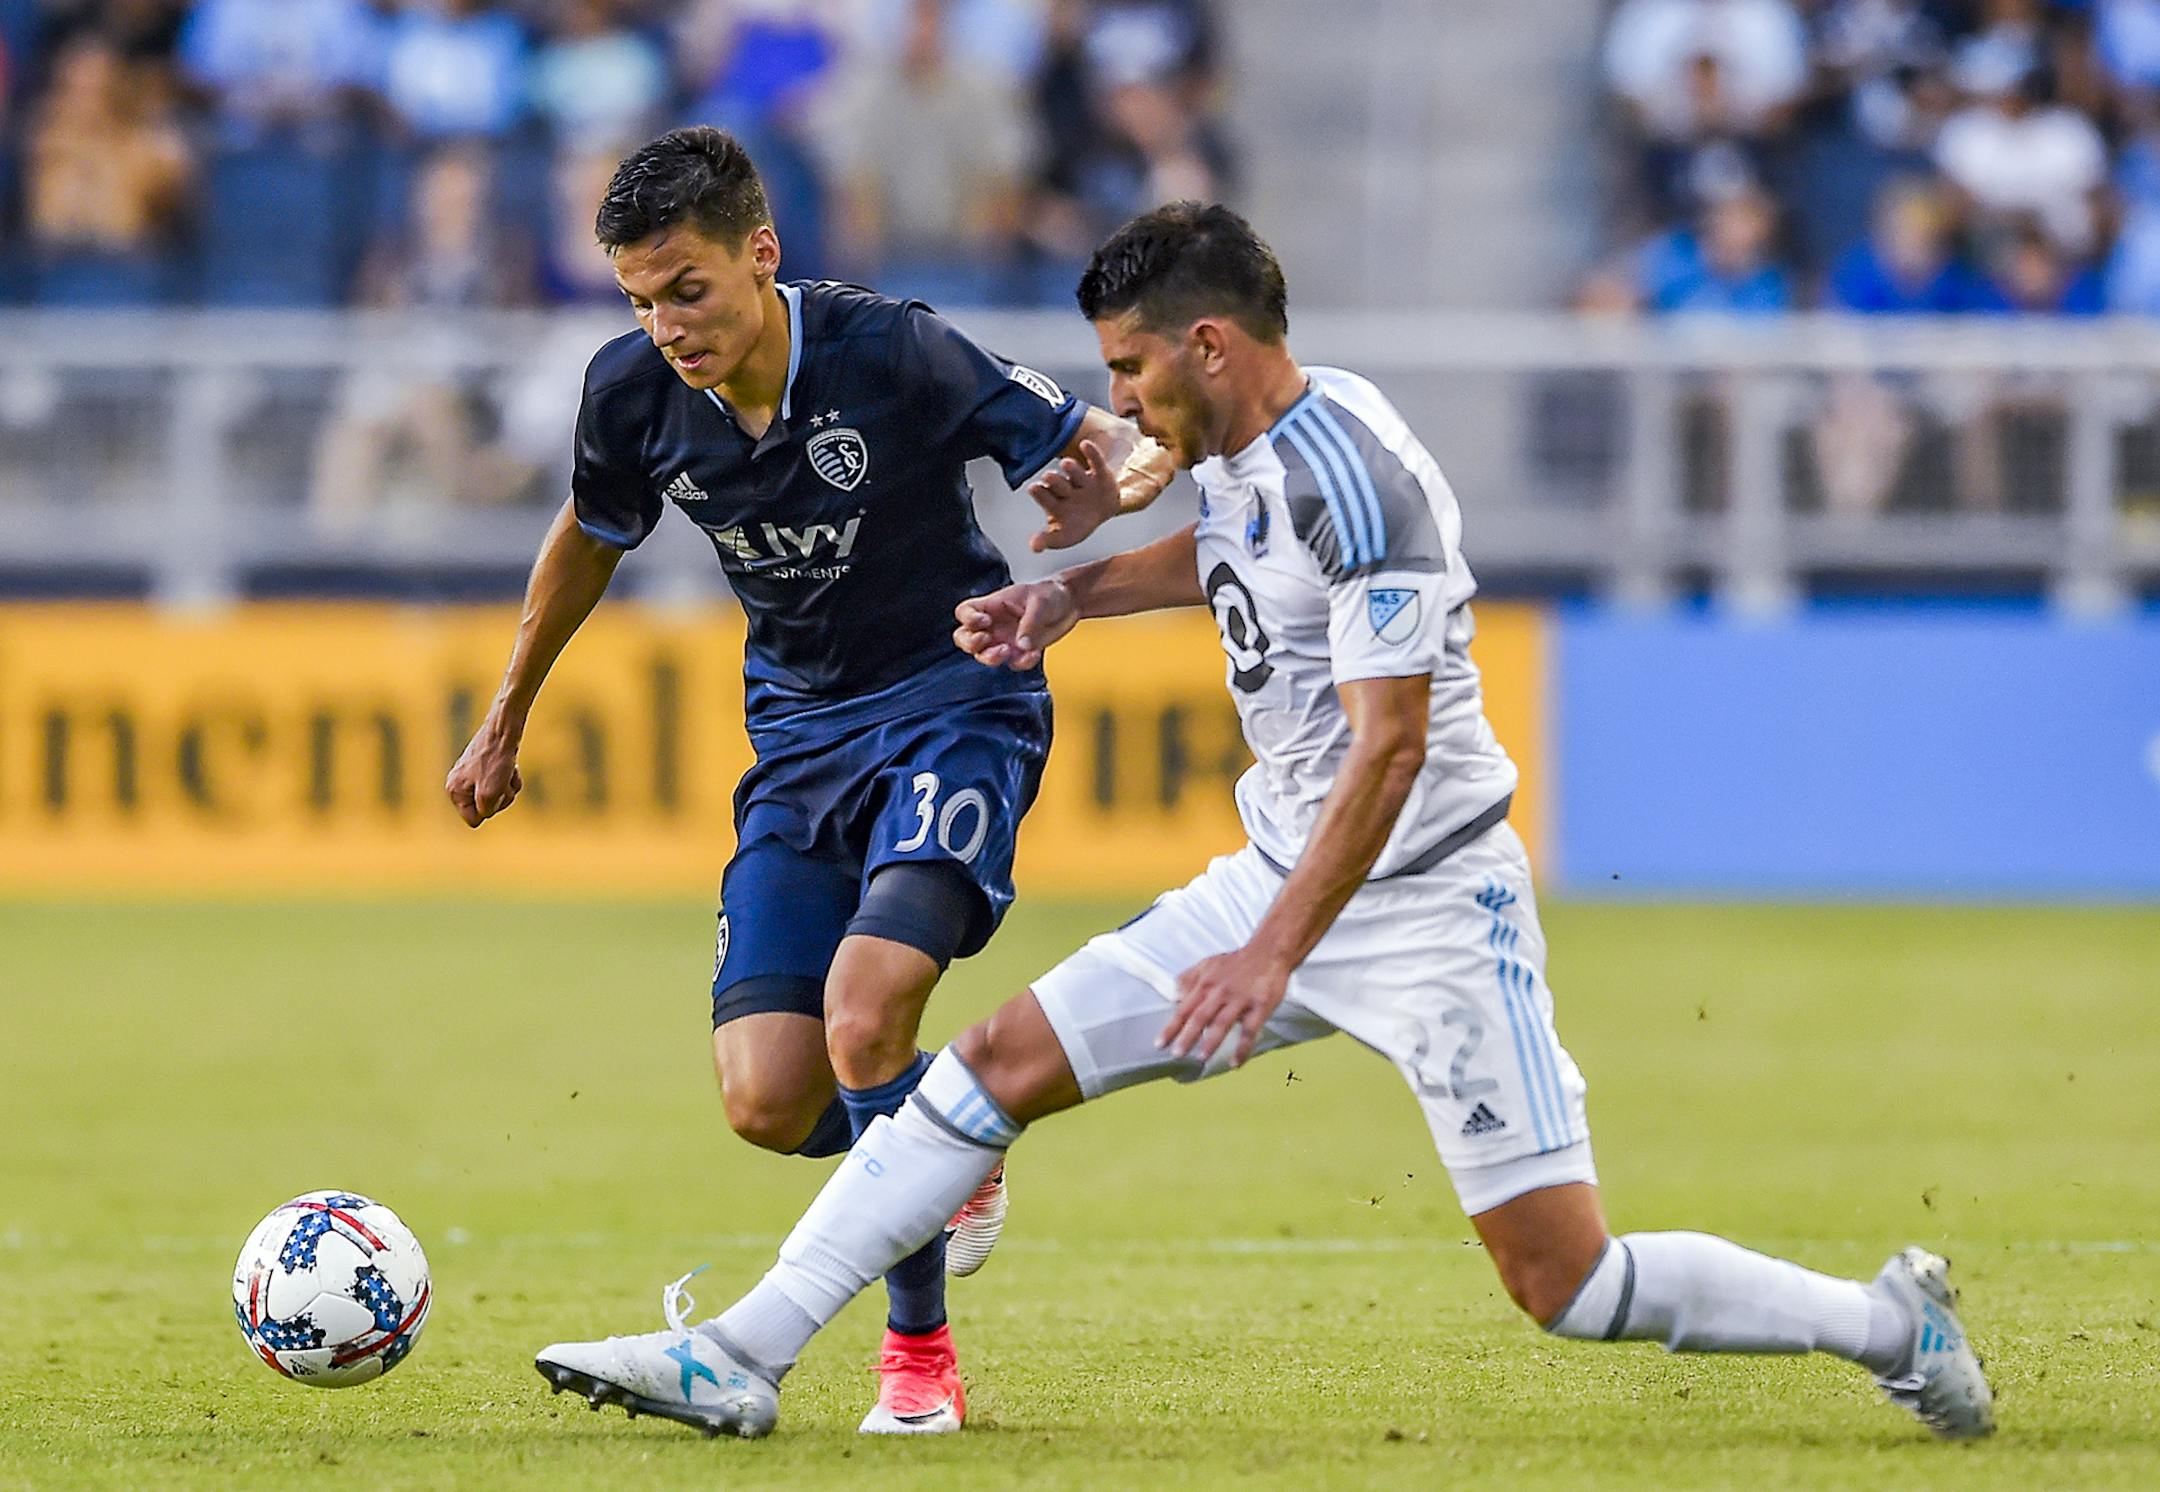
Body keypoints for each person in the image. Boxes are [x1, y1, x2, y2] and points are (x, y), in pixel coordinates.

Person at [530, 201, 1997, 1444]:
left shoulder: (1357, 477)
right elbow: (1220, 548)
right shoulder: (1246, 449)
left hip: (1423, 906)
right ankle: (751, 1349)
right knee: (983, 1073)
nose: (1123, 407)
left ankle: (1887, 1325)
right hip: (1279, 881)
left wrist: (1271, 955)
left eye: (1131, 372)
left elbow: (1391, 748)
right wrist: (1072, 595)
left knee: (1568, 1286)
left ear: (1206, 345)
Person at [445, 126, 1172, 1434]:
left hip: (957, 704)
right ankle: (950, 1134)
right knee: (771, 1100)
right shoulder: (629, 395)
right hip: (799, 743)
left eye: (688, 290)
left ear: (760, 256)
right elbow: (591, 532)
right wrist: (506, 717)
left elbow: (1105, 445)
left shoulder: (892, 349)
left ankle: (917, 1368)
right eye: (640, 300)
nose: (667, 325)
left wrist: (1115, 488)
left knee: (864, 1010)